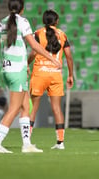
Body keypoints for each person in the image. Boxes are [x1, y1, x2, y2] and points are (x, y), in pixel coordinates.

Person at [0, 0, 62, 154]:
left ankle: (27, 144)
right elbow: (34, 45)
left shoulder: (1, 23)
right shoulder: (23, 22)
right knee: (14, 109)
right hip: (17, 71)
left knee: (25, 107)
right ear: (22, 9)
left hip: (7, 70)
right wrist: (51, 58)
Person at [28, 10, 74, 150]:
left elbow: (34, 52)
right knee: (56, 108)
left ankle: (27, 141)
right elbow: (69, 56)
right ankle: (60, 142)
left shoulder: (38, 33)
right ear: (57, 21)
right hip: (55, 74)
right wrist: (71, 75)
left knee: (33, 108)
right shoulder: (62, 35)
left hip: (39, 73)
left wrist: (26, 63)